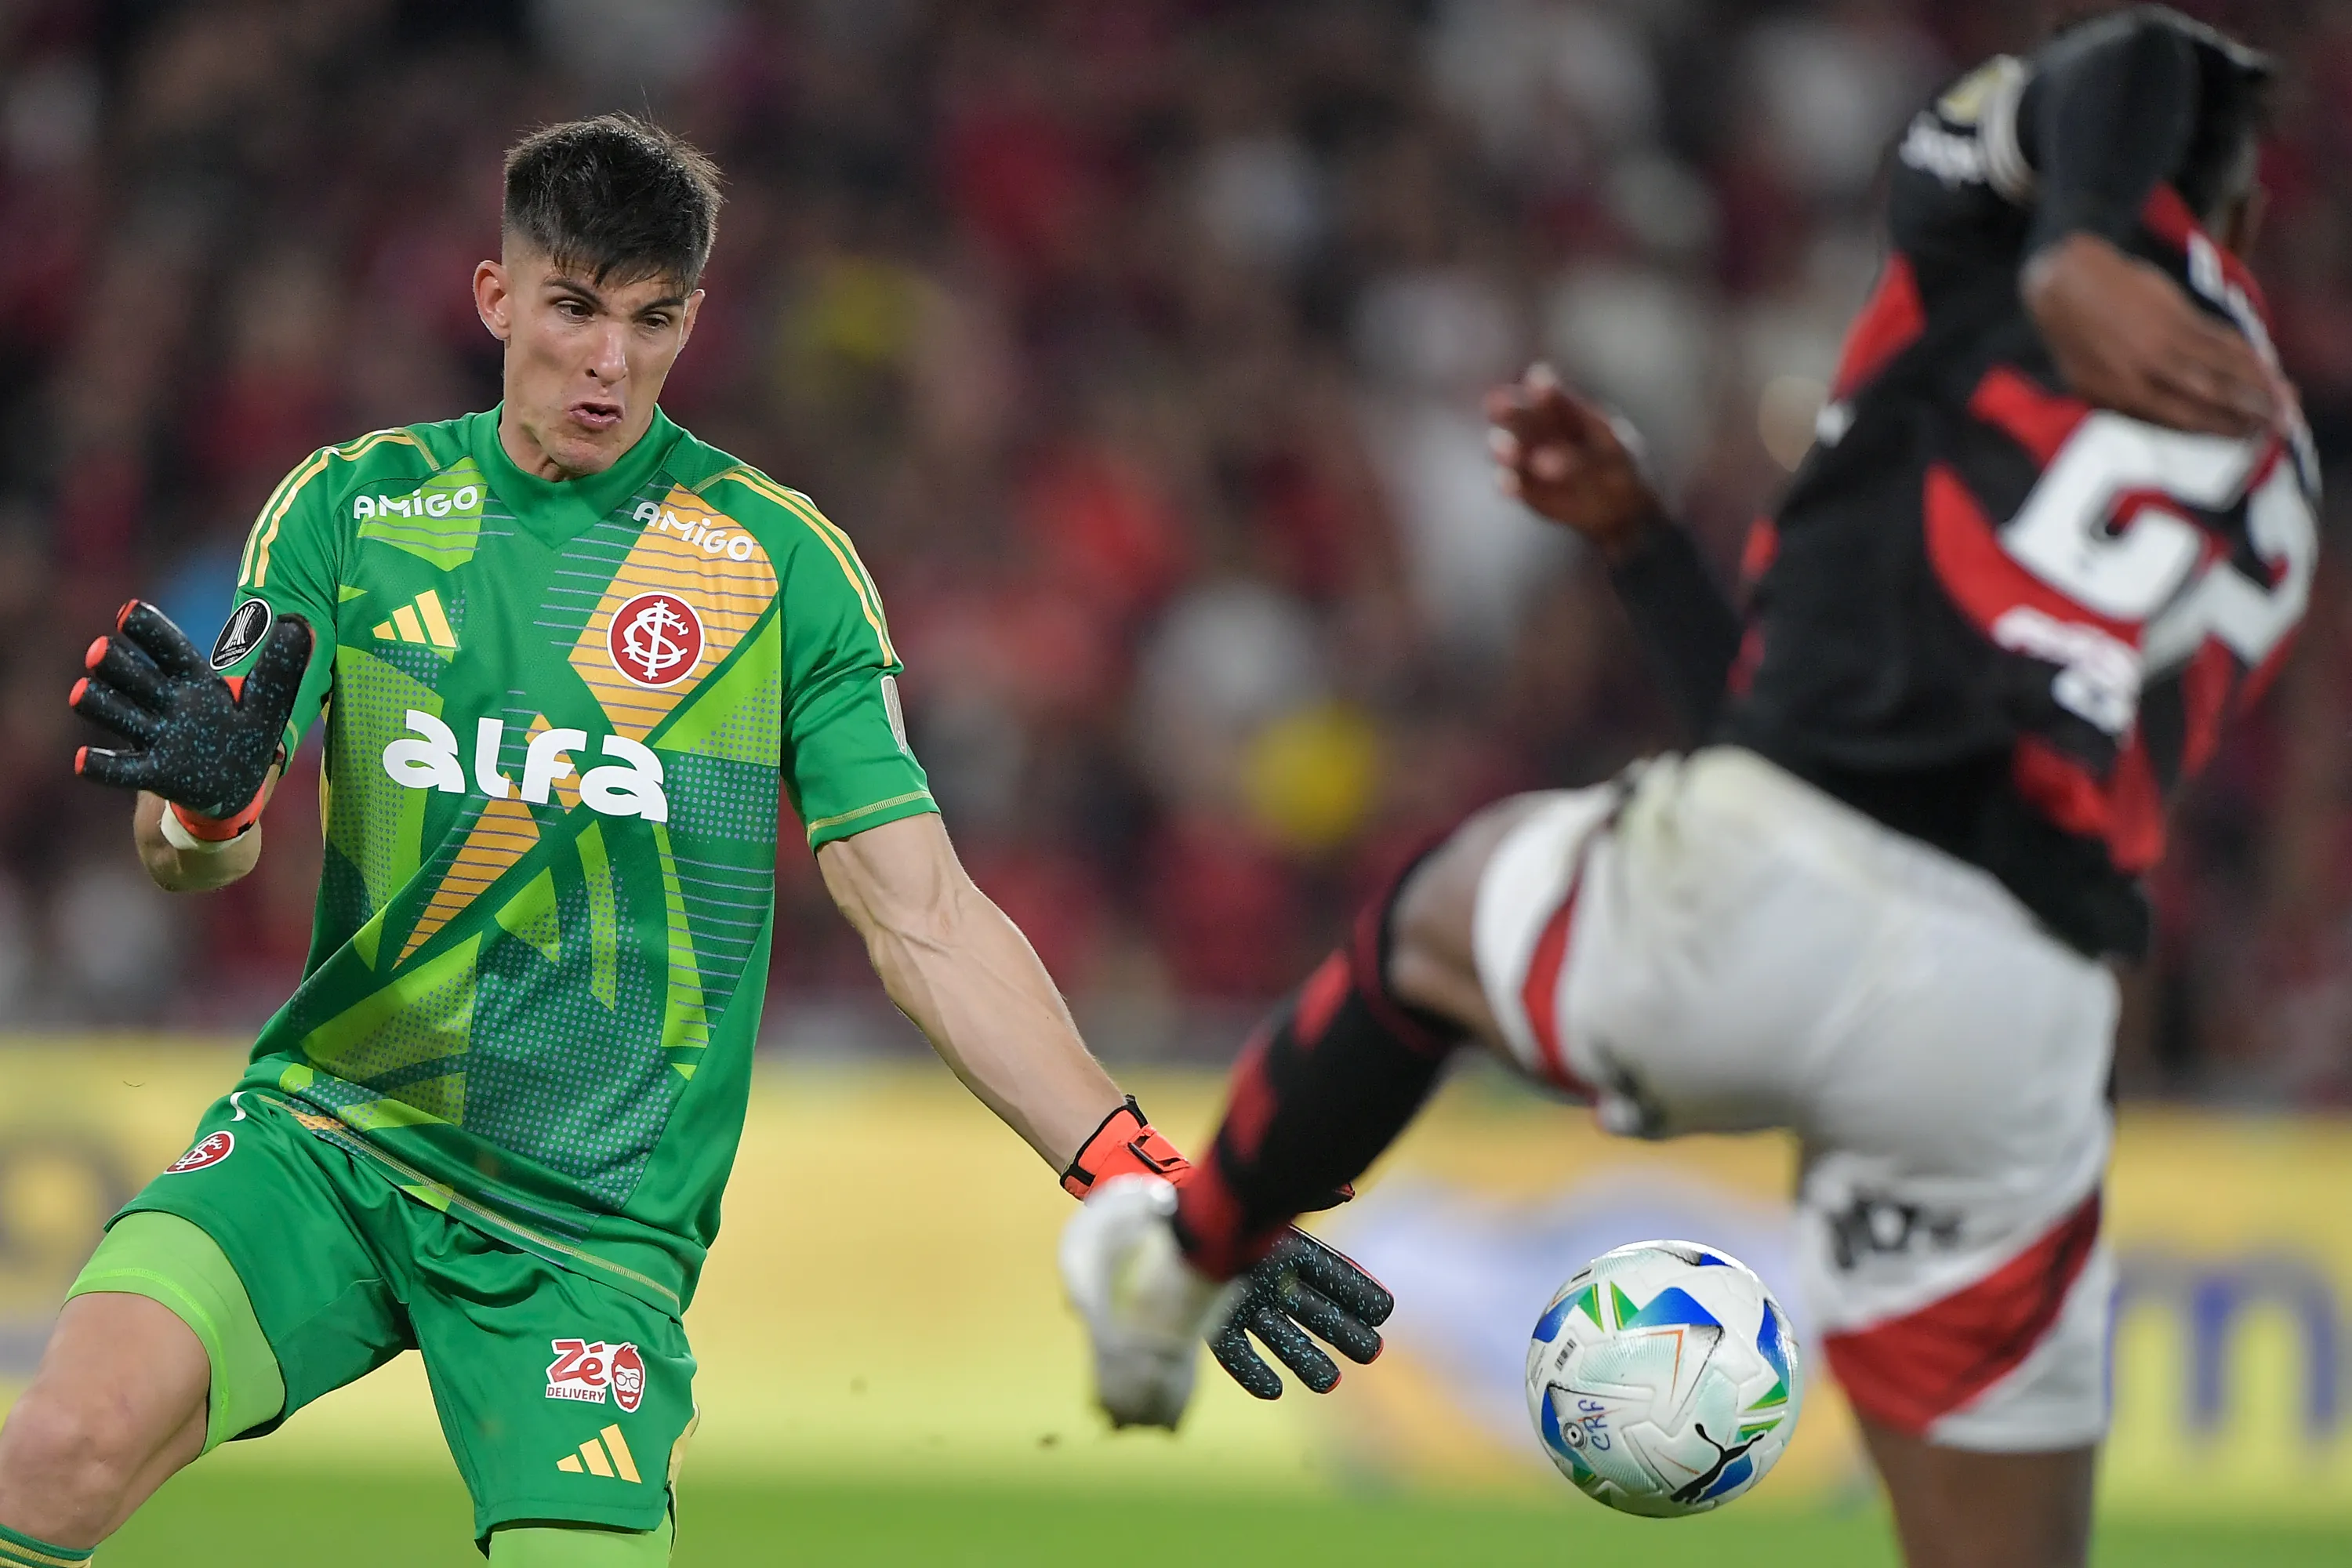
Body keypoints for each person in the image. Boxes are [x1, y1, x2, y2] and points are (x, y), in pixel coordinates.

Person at [0, 114, 1385, 1566]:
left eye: (651, 321)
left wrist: (1148, 1180)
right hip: (328, 1141)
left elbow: (923, 919)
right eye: (574, 309)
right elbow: (188, 850)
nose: (609, 361)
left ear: (692, 323)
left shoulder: (779, 570)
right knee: (59, 1445)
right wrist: (209, 802)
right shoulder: (355, 508)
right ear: (495, 298)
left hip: (588, 1233)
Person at [1061, 10, 2307, 1566]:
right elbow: (1819, 729)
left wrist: (2073, 245)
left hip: (1773, 875)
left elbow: (2143, 58)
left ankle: (1179, 1274)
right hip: (2014, 1021)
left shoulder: (2003, 243)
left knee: (1439, 916)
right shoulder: (2279, 466)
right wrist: (1647, 547)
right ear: (2253, 215)